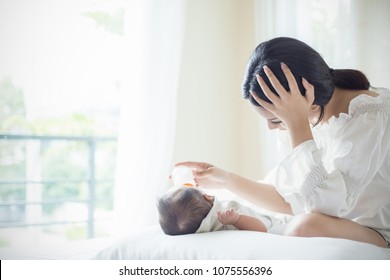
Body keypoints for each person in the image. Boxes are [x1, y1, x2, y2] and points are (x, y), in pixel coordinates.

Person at [175, 37, 390, 248]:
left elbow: (326, 208)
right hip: (339, 222)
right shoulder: (304, 118)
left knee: (303, 226)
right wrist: (227, 180)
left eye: (275, 120)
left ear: (310, 102)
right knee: (257, 215)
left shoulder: (368, 116)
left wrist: (297, 124)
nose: (271, 128)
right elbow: (294, 201)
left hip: (378, 230)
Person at [157, 186, 283, 235]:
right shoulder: (227, 219)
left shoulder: (193, 226)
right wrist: (238, 219)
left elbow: (181, 205)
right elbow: (262, 229)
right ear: (207, 196)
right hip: (277, 226)